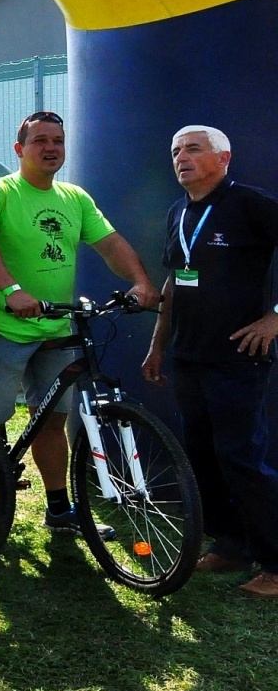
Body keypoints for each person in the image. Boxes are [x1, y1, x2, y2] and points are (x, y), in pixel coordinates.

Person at [0, 110, 159, 536]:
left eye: (58, 141)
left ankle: (58, 509)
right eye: (40, 141)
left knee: (52, 421)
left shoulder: (75, 199)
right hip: (4, 328)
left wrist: (141, 281)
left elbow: (110, 244)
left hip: (56, 329)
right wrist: (12, 289)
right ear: (19, 149)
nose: (51, 148)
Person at [142, 126, 278, 597]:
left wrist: (274, 319)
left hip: (240, 355)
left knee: (241, 458)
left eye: (193, 149)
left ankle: (275, 565)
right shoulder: (178, 212)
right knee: (202, 454)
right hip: (189, 354)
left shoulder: (252, 204)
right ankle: (230, 543)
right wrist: (158, 344)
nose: (182, 157)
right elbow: (176, 283)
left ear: (223, 159)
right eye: (176, 150)